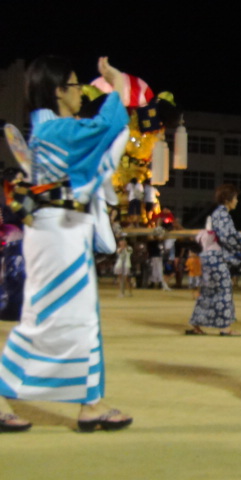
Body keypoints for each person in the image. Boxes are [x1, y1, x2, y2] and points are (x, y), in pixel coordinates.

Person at [0, 55, 133, 432]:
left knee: (78, 319)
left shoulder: (51, 130)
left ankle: (91, 404)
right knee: (46, 320)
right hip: (57, 234)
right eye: (75, 86)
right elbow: (107, 126)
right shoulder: (57, 131)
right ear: (59, 92)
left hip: (60, 231)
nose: (81, 92)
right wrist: (118, 85)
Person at [185, 184, 241, 336]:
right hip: (216, 258)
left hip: (208, 256)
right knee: (224, 290)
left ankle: (196, 325)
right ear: (228, 199)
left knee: (208, 291)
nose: (237, 201)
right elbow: (228, 237)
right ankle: (225, 327)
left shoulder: (216, 213)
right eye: (235, 198)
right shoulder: (223, 215)